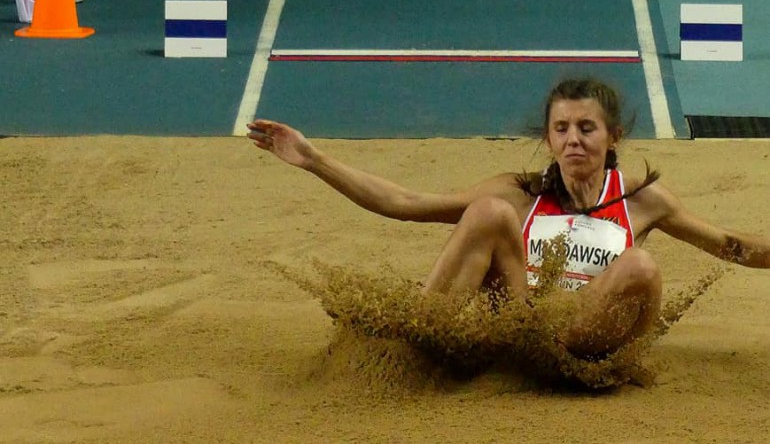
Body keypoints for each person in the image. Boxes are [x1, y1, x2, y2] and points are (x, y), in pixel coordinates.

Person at [247, 77, 770, 359]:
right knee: (489, 212)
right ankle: (413, 342)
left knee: (641, 267)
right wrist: (314, 160)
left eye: (587, 127)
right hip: (526, 334)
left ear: (613, 138)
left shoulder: (645, 200)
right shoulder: (521, 194)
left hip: (591, 342)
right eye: (561, 128)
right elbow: (406, 204)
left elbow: (732, 246)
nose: (573, 139)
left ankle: (631, 372)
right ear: (547, 138)